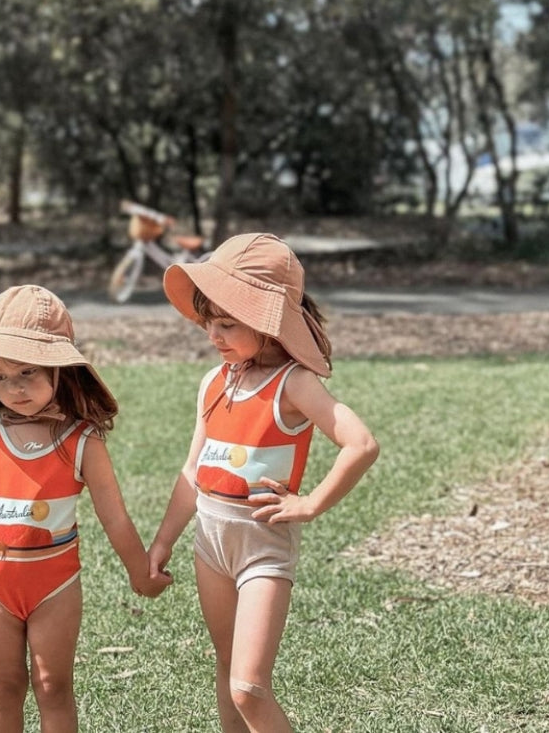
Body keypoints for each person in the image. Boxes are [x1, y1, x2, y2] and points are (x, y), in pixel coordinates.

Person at [148, 233, 379, 733]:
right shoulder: (214, 382)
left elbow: (361, 443)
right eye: (209, 322)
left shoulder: (294, 383)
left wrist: (312, 503)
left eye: (228, 323)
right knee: (227, 669)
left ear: (269, 323)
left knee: (249, 687)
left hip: (263, 549)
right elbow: (193, 471)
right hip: (209, 545)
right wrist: (164, 540)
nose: (214, 335)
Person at [0, 284, 172, 733]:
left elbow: (114, 517)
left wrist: (140, 572)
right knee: (2, 688)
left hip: (55, 585)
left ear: (61, 371)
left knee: (52, 686)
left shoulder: (83, 441)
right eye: (1, 376)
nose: (13, 388)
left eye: (27, 372)